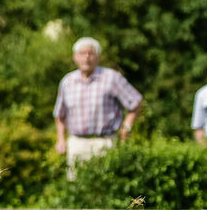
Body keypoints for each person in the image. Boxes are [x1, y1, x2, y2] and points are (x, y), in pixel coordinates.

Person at [54, 37, 143, 181]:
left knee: (105, 184)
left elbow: (135, 102)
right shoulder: (67, 82)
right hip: (77, 143)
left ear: (98, 57)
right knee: (76, 187)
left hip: (105, 142)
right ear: (75, 57)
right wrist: (60, 139)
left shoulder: (111, 78)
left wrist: (127, 127)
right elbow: (60, 115)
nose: (87, 57)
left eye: (91, 53)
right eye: (82, 53)